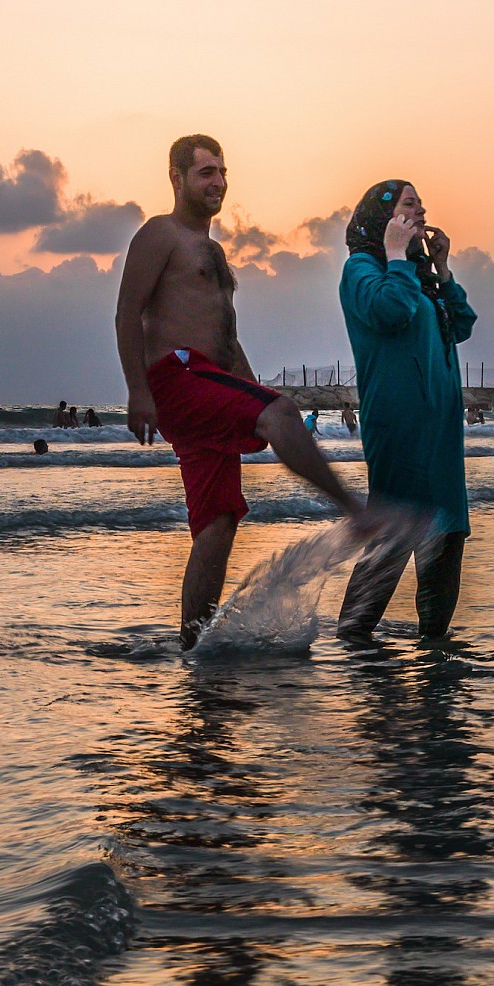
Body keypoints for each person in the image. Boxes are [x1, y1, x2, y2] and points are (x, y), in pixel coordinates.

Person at [116, 134, 378, 649]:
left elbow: (227, 339)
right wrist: (138, 391)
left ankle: (194, 647)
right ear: (177, 179)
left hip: (210, 379)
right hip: (178, 377)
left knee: (217, 523)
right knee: (279, 413)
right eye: (205, 172)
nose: (218, 182)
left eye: (222, 171)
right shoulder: (160, 234)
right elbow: (127, 312)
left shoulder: (211, 251)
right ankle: (355, 509)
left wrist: (252, 389)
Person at [334, 180, 476, 640]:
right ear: (384, 217)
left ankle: (435, 648)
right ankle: (354, 639)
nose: (420, 211)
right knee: (395, 530)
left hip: (440, 429)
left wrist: (442, 268)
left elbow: (464, 326)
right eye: (408, 204)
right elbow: (389, 311)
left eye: (421, 204)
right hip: (399, 424)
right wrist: (396, 255)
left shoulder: (419, 276)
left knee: (447, 532)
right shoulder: (361, 269)